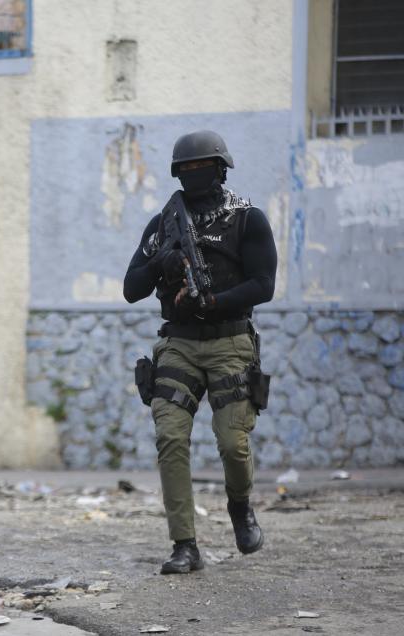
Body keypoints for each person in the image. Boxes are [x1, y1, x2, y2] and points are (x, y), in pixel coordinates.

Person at [123, 130, 277, 575]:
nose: (194, 176)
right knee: (171, 437)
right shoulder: (163, 226)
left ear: (221, 169)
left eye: (202, 168)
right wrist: (160, 264)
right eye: (186, 170)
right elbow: (133, 288)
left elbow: (263, 285)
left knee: (232, 442)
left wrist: (212, 301)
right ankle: (184, 545)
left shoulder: (248, 219)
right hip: (180, 343)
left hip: (230, 342)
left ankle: (240, 507)